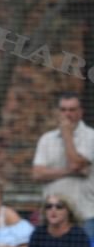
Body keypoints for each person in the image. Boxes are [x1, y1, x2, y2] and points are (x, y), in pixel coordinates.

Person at [31, 92, 94, 239]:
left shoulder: (91, 137)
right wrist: (70, 171)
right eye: (63, 110)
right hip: (53, 215)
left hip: (84, 214)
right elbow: (37, 174)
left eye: (72, 110)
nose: (67, 114)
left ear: (80, 112)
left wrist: (67, 135)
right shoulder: (46, 139)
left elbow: (75, 163)